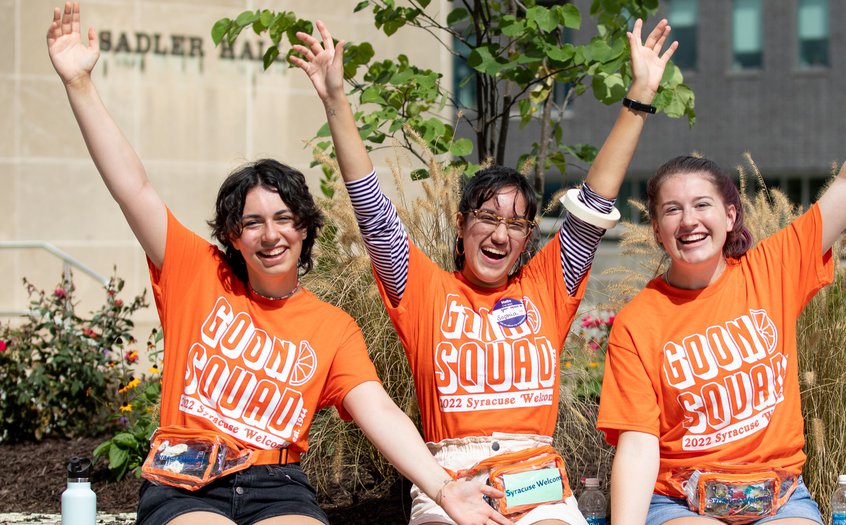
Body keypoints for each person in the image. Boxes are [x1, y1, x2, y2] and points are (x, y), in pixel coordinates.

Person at [46, 3, 513, 525]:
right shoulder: (196, 272)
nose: (271, 235)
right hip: (185, 484)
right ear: (232, 235)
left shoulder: (332, 328)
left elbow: (378, 411)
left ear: (305, 229)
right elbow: (133, 188)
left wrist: (444, 488)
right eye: (253, 222)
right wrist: (80, 86)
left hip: (277, 486)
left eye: (285, 219)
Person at [289, 13, 679, 525]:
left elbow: (595, 200)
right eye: (488, 218)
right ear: (461, 223)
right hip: (450, 479)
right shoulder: (421, 288)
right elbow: (372, 211)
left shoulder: (548, 285)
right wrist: (336, 102)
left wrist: (639, 97)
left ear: (528, 237)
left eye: (517, 224)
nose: (500, 234)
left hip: (536, 479)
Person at [596, 6, 846, 525]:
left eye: (702, 205)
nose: (688, 220)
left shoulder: (773, 269)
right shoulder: (637, 324)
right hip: (680, 504)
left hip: (781, 499)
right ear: (656, 227)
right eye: (672, 209)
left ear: (729, 214)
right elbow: (639, 445)